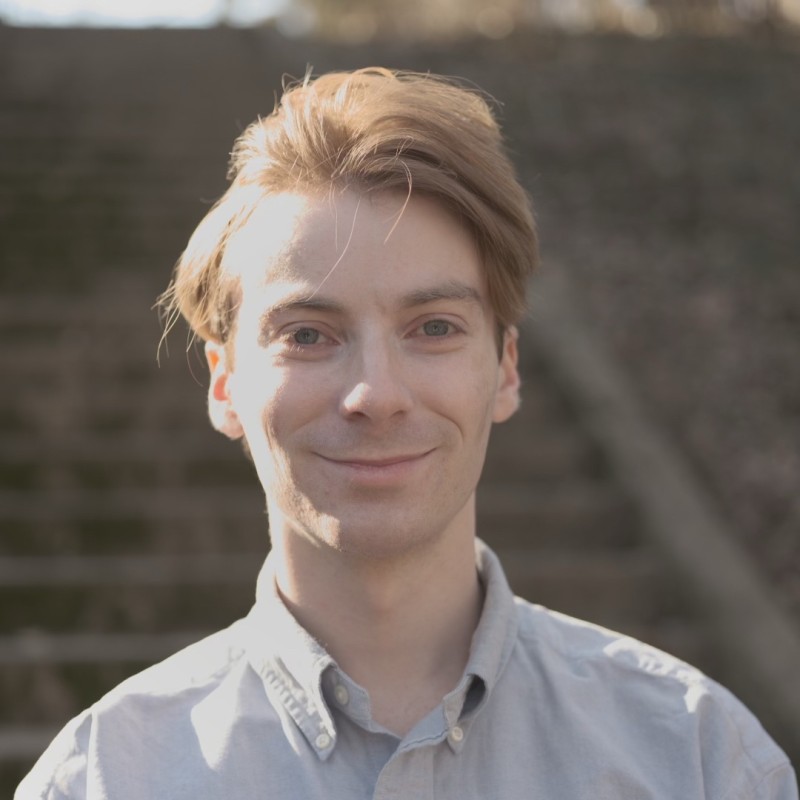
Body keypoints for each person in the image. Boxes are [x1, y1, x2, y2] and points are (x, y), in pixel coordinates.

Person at [17, 67, 796, 800]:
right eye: (308, 335)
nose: (376, 395)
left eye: (434, 327)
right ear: (224, 382)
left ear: (507, 367)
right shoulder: (103, 778)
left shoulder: (699, 759)